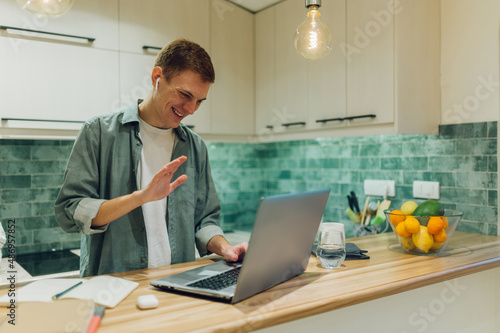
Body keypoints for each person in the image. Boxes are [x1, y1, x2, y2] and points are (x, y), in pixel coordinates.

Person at [55, 39, 248, 277]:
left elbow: (204, 221)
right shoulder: (98, 133)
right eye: (185, 95)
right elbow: (70, 210)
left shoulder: (195, 147)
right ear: (157, 77)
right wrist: (140, 198)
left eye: (199, 101)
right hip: (114, 289)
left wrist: (226, 248)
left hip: (178, 286)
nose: (191, 109)